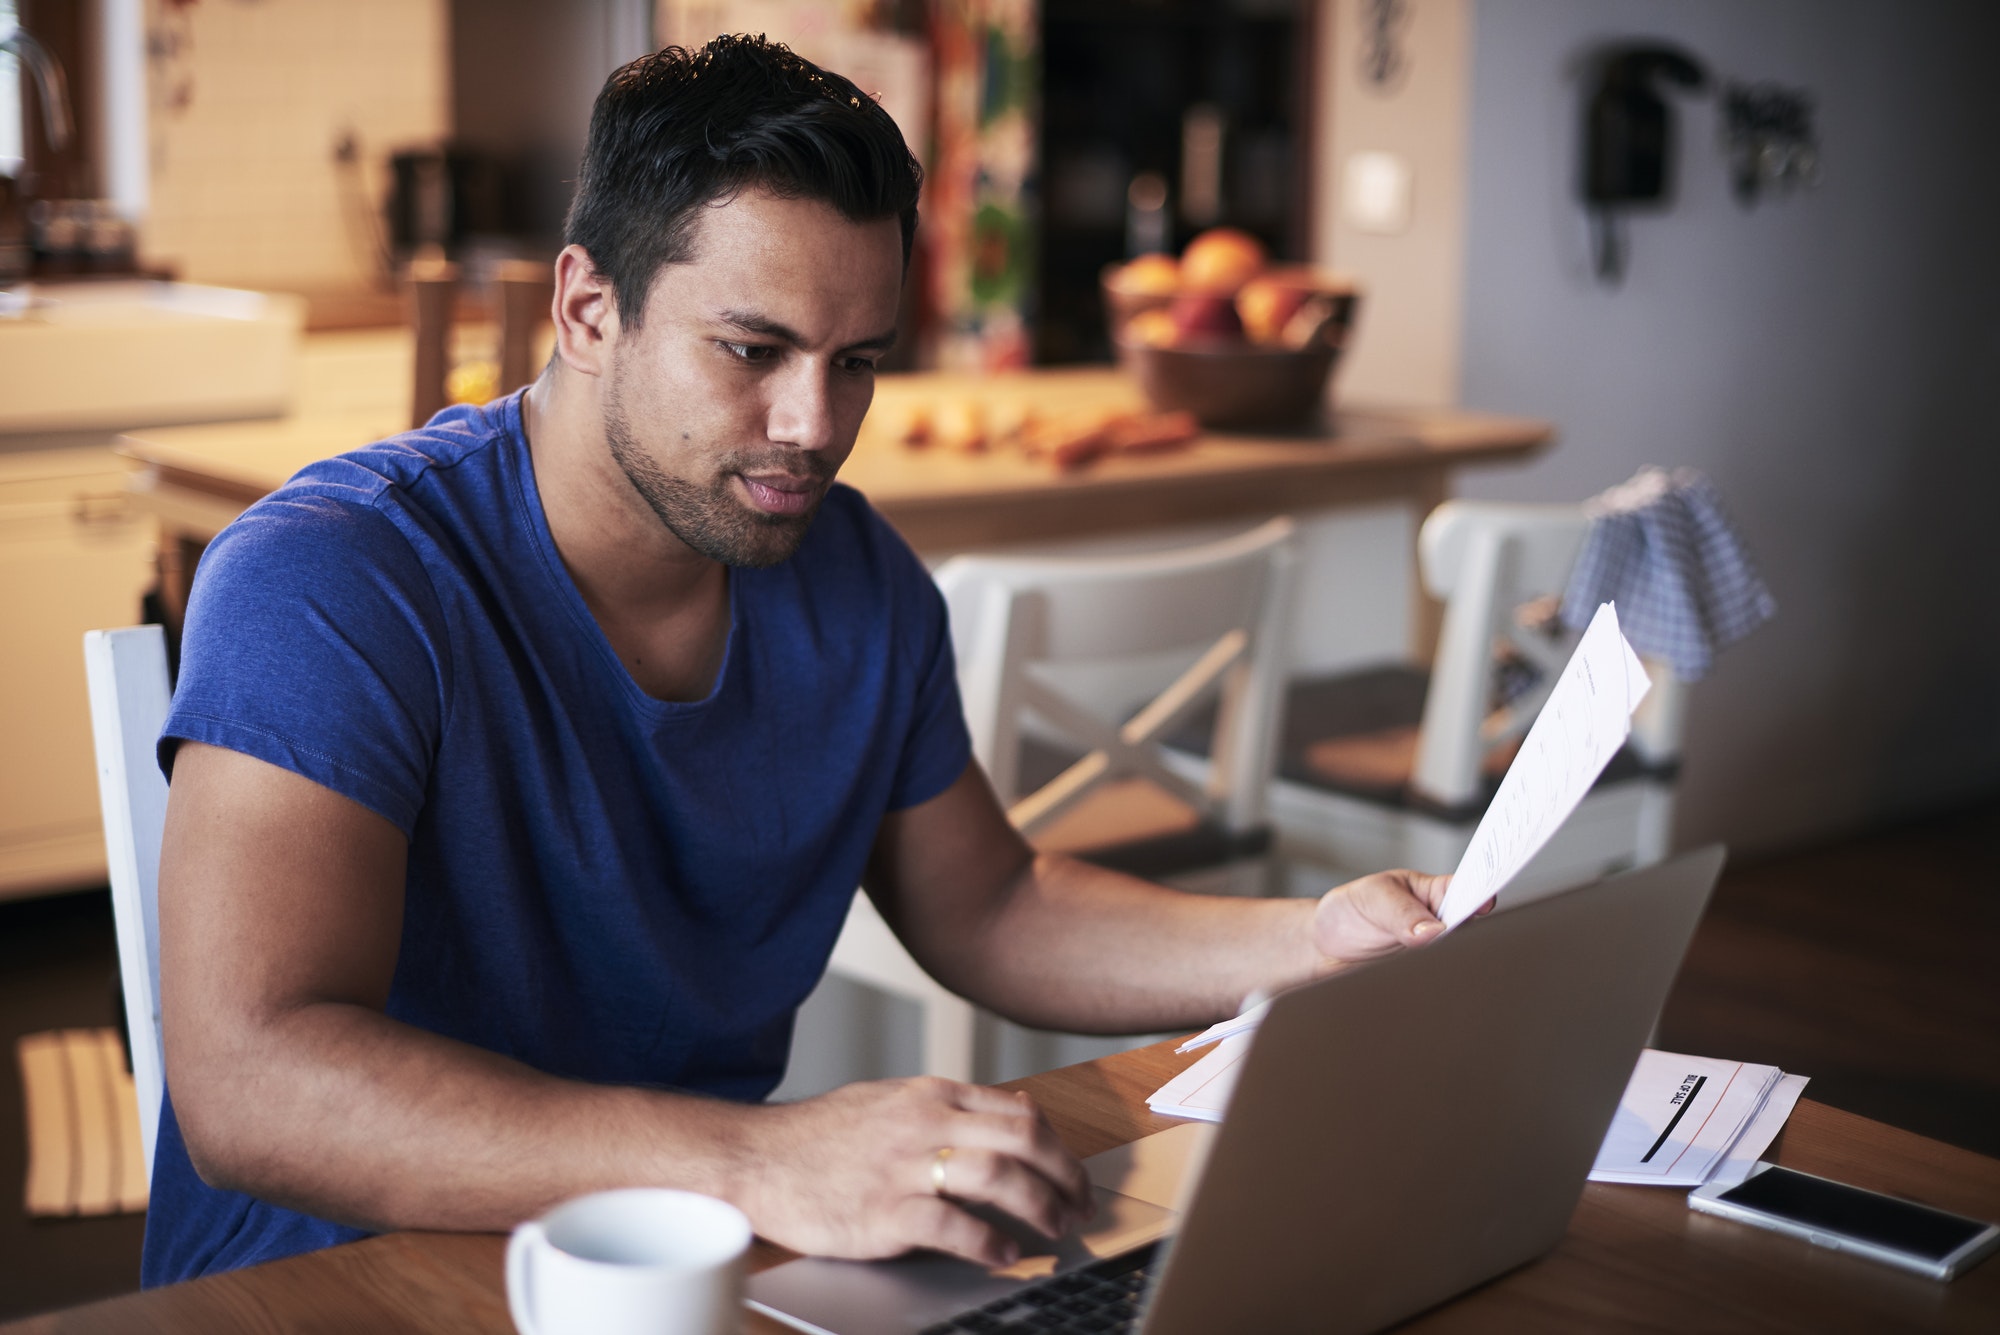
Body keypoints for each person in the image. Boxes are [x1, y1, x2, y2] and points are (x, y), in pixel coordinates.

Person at [145, 35, 1452, 1287]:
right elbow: (253, 1082)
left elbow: (993, 906)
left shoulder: (855, 578)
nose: (812, 426)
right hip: (341, 1285)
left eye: (857, 362)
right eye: (752, 350)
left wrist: (1314, 943)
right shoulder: (335, 575)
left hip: (694, 1261)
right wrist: (760, 1161)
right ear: (590, 309)